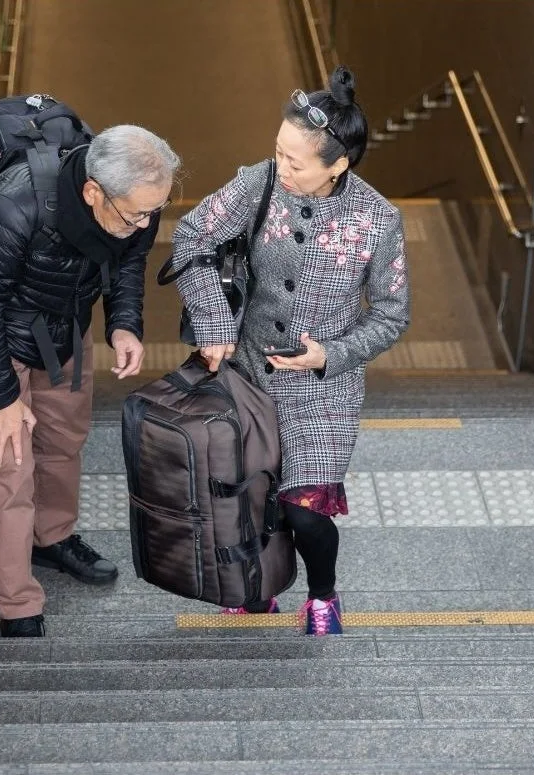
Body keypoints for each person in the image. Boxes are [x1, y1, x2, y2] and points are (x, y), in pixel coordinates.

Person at [168, 66, 409, 636]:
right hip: (246, 374)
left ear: (338, 165)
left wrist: (329, 354)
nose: (281, 167)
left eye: (295, 161)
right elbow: (191, 235)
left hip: (323, 389)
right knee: (252, 501)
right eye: (278, 150)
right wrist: (213, 320)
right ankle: (258, 590)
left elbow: (393, 314)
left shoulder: (378, 221)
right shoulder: (260, 183)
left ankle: (322, 593)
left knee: (303, 511)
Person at [0, 124, 180, 637]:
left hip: (64, 327)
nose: (144, 223)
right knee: (11, 464)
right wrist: (1, 398)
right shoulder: (11, 208)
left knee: (65, 437)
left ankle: (52, 538)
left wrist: (123, 323)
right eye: (135, 213)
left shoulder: (133, 206)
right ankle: (16, 602)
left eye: (152, 213)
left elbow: (129, 260)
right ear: (93, 192)